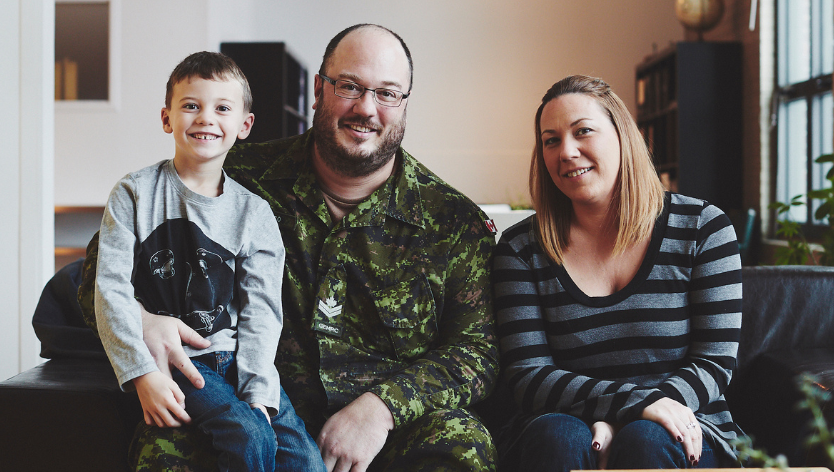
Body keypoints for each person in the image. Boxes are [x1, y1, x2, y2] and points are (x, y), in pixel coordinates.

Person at [79, 25, 499, 471]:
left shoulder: (453, 221)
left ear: (405, 104)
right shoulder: (231, 176)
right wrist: (145, 322)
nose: (366, 108)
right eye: (349, 86)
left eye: (388, 93)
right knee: (166, 445)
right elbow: (96, 277)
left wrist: (382, 408)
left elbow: (477, 351)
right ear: (318, 90)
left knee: (462, 447)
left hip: (390, 431)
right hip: (243, 396)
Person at [492, 75, 743, 471]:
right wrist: (635, 406)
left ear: (624, 135)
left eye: (583, 131)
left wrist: (630, 419)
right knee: (558, 434)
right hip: (561, 428)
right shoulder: (520, 249)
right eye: (551, 140)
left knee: (647, 438)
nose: (567, 151)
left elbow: (714, 362)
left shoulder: (703, 228)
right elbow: (529, 376)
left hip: (687, 425)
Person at [93, 51, 325, 472]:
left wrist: (258, 392)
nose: (205, 118)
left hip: (239, 359)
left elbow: (262, 312)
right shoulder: (134, 194)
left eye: (222, 108)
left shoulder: (254, 214)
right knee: (249, 436)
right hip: (182, 361)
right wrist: (142, 373)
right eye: (190, 106)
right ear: (167, 118)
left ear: (244, 125)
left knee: (306, 461)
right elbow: (110, 289)